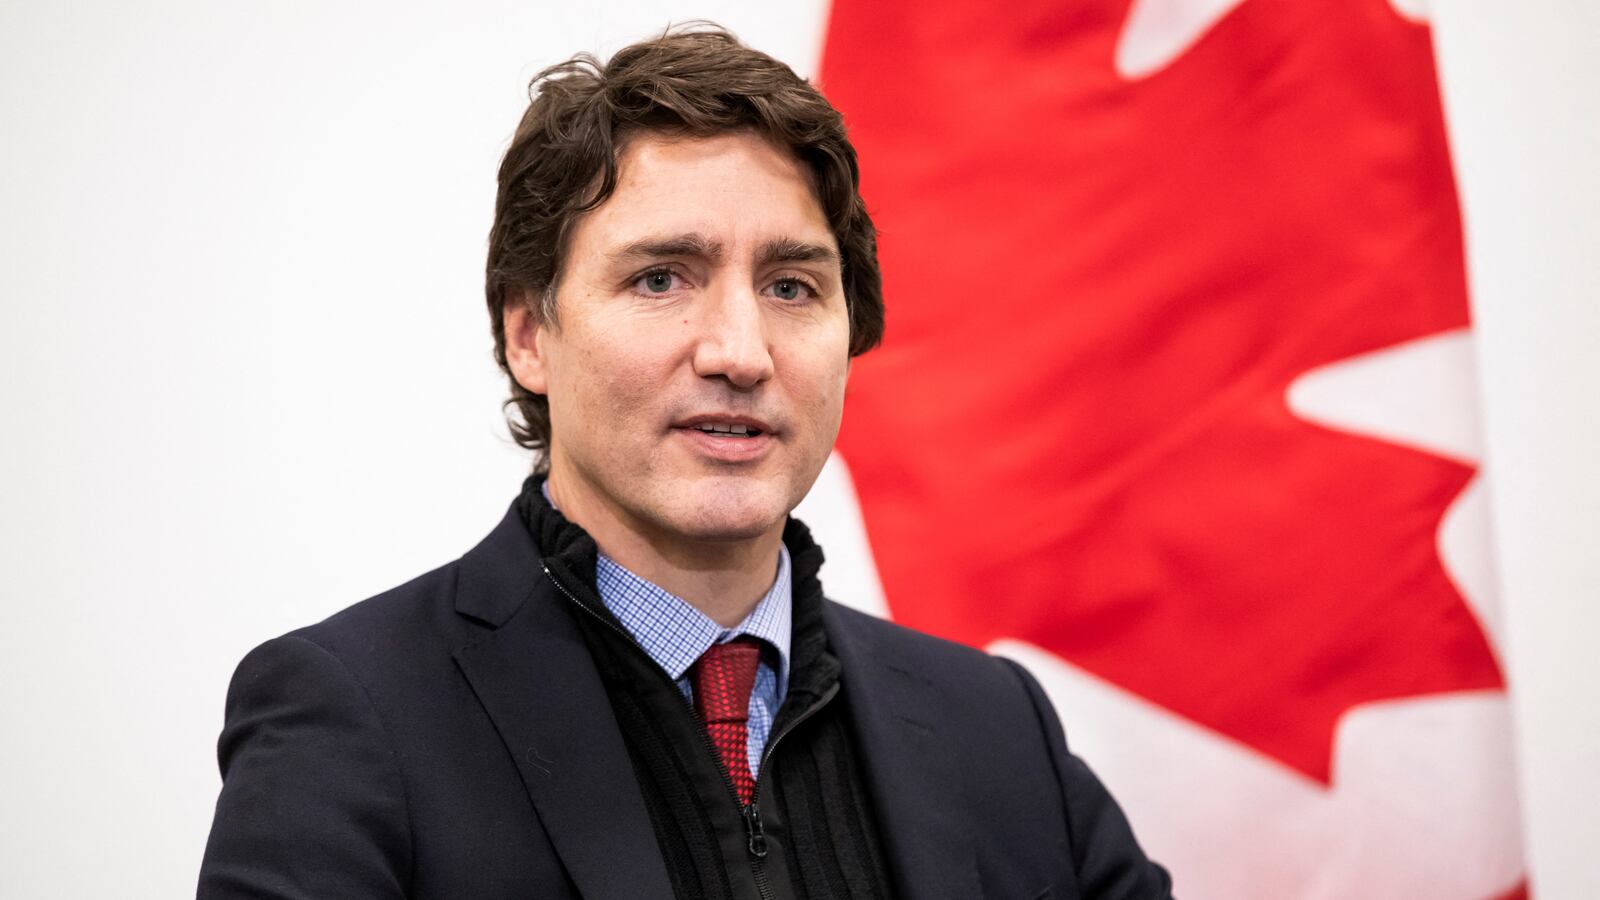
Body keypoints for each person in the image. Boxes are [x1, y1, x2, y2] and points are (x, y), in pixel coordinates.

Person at [197, 26, 1172, 900]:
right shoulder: (354, 715)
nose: (740, 352)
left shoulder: (993, 727)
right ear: (531, 334)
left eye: (792, 286)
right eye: (661, 278)